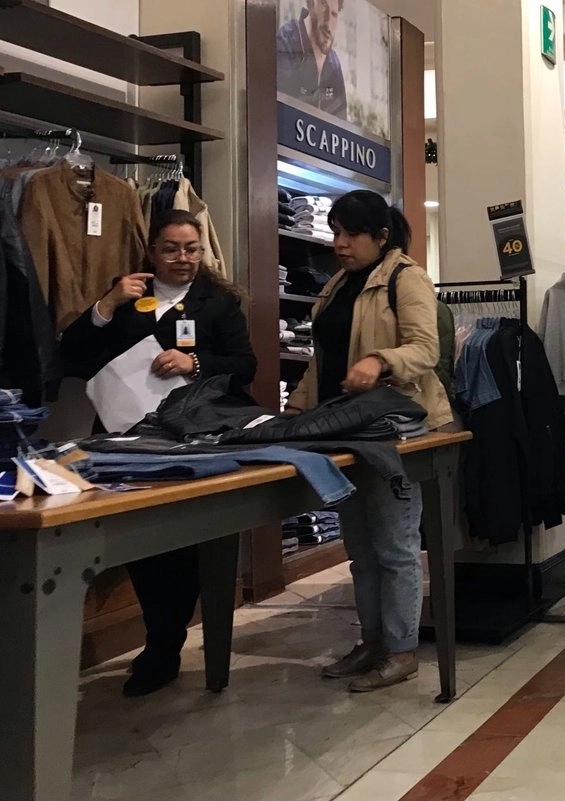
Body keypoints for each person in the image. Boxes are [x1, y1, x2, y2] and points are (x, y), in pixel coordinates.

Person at [60, 209, 256, 697]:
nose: (183, 258)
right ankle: (160, 642)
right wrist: (105, 305)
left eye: (192, 249)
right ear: (152, 250)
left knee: (185, 544)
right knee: (142, 546)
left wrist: (195, 361)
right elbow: (74, 355)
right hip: (127, 437)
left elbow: (243, 366)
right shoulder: (126, 295)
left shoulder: (219, 303)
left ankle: (168, 641)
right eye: (171, 248)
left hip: (189, 437)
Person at [285, 190, 452, 692]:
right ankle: (373, 641)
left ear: (381, 237)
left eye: (350, 233)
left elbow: (425, 348)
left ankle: (402, 650)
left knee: (395, 543)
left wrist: (380, 361)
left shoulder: (406, 279)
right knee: (358, 545)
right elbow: (322, 360)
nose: (339, 243)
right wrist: (295, 414)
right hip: (344, 430)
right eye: (334, 232)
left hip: (393, 432)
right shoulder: (338, 285)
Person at [277, 0, 348, 119]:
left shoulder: (334, 64)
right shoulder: (286, 43)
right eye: (323, 5)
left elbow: (341, 125)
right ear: (311, 4)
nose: (328, 23)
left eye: (334, 14)